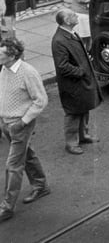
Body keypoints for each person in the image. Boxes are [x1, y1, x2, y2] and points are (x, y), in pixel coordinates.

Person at [0, 38, 49, 222]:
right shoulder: (4, 69)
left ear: (12, 55)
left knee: (13, 166)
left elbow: (41, 100)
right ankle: (41, 185)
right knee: (26, 154)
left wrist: (23, 121)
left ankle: (6, 207)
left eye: (1, 52)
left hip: (20, 125)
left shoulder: (28, 72)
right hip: (5, 122)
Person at [51, 8, 103, 155]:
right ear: (67, 21)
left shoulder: (70, 33)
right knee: (73, 113)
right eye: (73, 15)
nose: (76, 16)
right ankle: (71, 143)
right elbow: (62, 66)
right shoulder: (59, 41)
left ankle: (83, 135)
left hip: (81, 83)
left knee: (84, 108)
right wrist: (81, 72)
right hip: (73, 85)